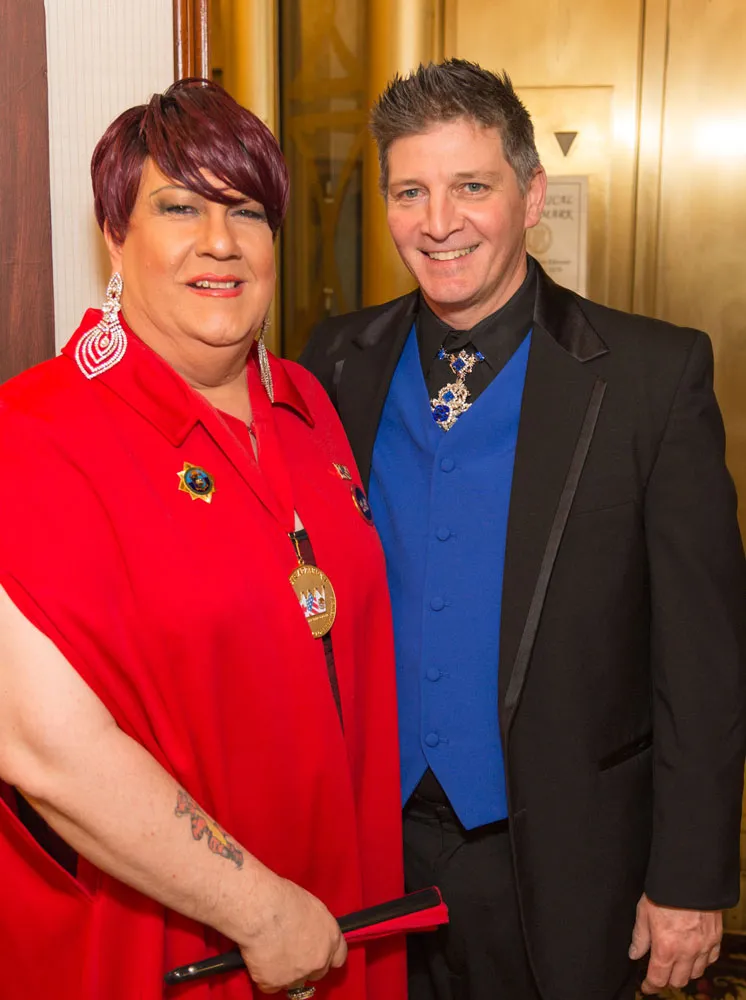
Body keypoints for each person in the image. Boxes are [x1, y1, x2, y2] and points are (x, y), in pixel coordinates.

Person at [300, 59, 746, 1000]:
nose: (439, 222)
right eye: (411, 192)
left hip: (564, 859)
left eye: (472, 186)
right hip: (375, 850)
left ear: (531, 194)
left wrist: (691, 877)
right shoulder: (336, 362)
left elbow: (703, 659)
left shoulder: (651, 378)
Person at [0, 79, 407, 1000]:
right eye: (180, 207)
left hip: (343, 919)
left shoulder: (310, 408)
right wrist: (259, 910)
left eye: (247, 212)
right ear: (115, 235)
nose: (220, 242)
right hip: (175, 944)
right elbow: (44, 746)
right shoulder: (35, 434)